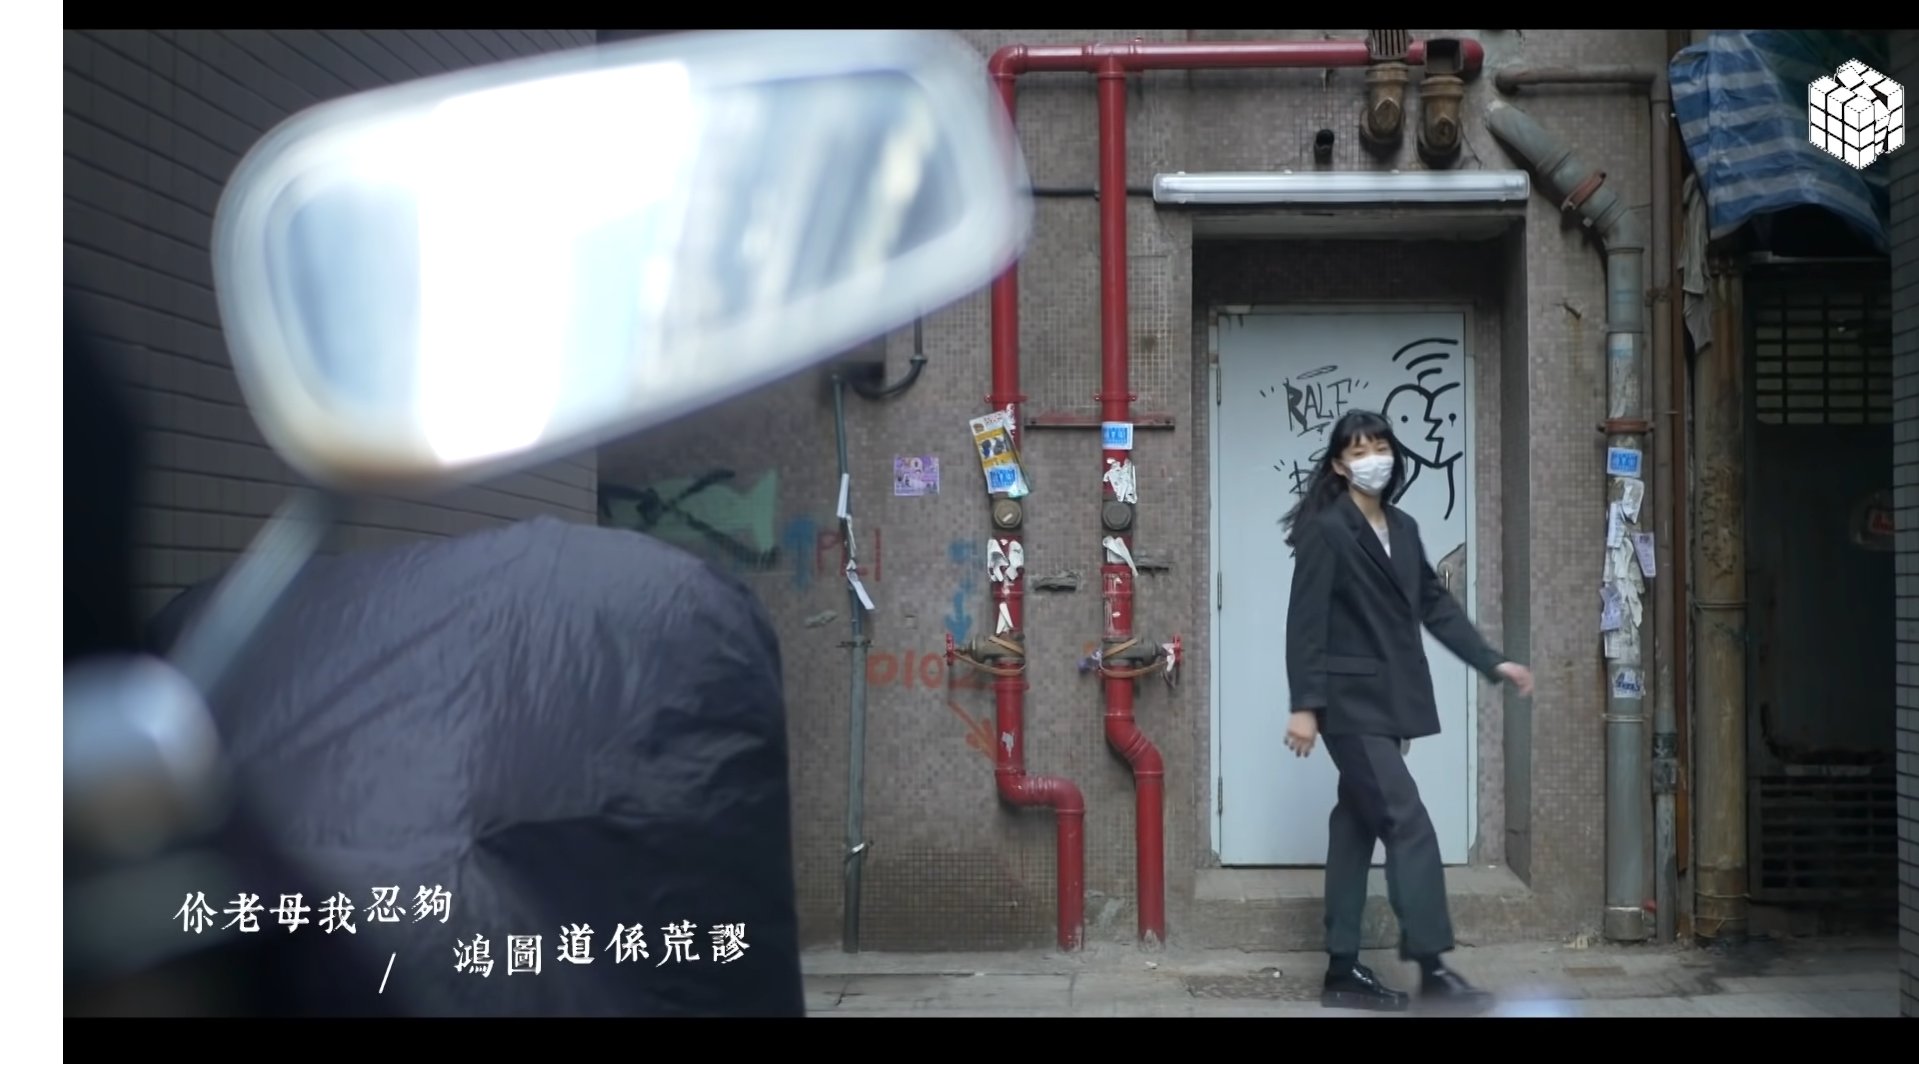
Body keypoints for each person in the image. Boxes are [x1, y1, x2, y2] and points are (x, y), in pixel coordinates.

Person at [1279, 408, 1534, 1014]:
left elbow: (1434, 605)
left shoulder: (1404, 526)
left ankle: (1341, 968)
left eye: (1380, 447)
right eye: (1359, 450)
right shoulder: (1327, 530)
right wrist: (1305, 707)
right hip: (1347, 707)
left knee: (1355, 824)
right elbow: (1304, 623)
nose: (1373, 459)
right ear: (1340, 465)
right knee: (1408, 822)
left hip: (1388, 703)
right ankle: (1433, 967)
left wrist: (1492, 661)